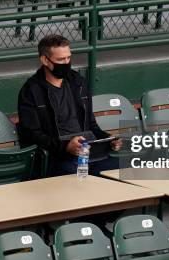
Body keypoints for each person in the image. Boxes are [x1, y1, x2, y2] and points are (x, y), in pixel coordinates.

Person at [18, 34, 122, 176]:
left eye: (68, 58)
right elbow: (33, 135)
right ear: (44, 60)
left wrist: (109, 138)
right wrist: (66, 146)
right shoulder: (31, 90)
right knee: (80, 178)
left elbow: (91, 125)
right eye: (61, 59)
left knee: (121, 171)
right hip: (57, 157)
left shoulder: (78, 82)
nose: (66, 63)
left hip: (88, 153)